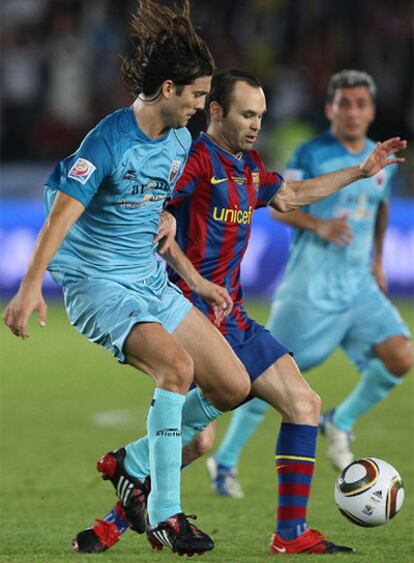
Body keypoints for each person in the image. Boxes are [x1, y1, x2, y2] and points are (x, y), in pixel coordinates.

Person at [76, 68, 406, 555]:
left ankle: (289, 534)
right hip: (188, 312)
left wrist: (360, 171)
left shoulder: (249, 166)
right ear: (216, 111)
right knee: (198, 442)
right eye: (247, 114)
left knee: (305, 405)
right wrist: (184, 256)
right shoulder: (189, 160)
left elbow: (291, 196)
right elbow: (154, 218)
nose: (256, 124)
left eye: (261, 115)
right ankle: (115, 518)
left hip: (234, 316)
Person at [2, 2, 258, 557]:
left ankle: (132, 463)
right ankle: (166, 514)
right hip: (98, 286)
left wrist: (165, 219)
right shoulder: (107, 141)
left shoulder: (181, 141)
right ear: (168, 89)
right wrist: (28, 288)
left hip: (149, 281)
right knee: (176, 368)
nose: (201, 108)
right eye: (196, 97)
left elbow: (153, 208)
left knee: (233, 386)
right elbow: (59, 217)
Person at [204, 69, 414, 492]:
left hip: (357, 288)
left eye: (360, 104)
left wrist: (375, 259)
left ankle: (342, 420)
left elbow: (381, 207)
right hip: (309, 291)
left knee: (401, 355)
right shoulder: (311, 153)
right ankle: (224, 461)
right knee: (263, 378)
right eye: (344, 104)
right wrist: (319, 226)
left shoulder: (380, 160)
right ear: (330, 109)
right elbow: (280, 206)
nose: (352, 112)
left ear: (372, 110)